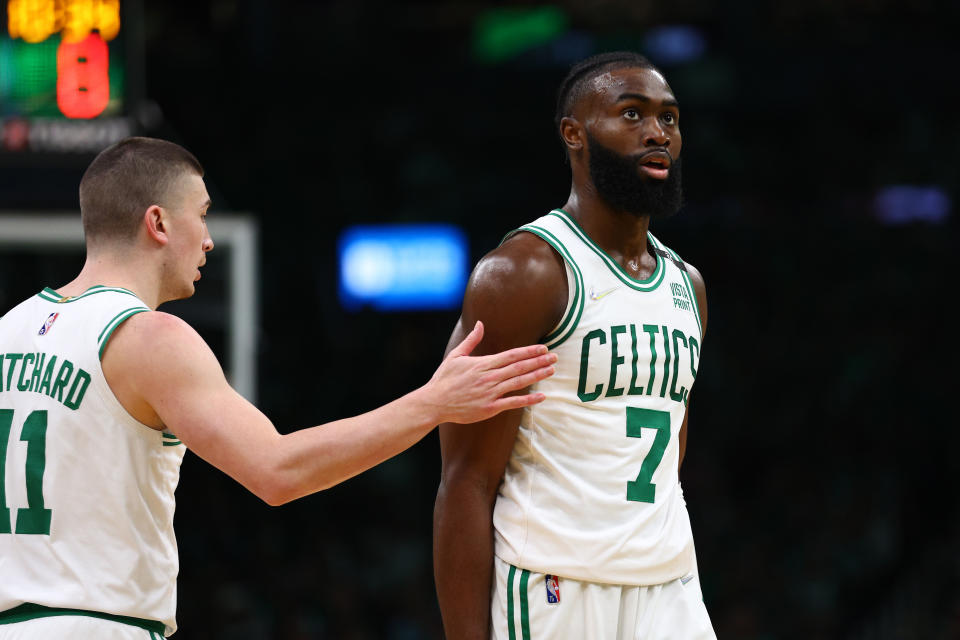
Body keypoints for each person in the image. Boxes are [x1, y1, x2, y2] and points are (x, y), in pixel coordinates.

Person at [0, 136, 558, 639]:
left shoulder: (9, 331)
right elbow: (278, 471)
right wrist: (432, 403)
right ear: (159, 224)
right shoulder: (149, 337)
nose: (210, 240)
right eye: (202, 215)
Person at [433, 51, 716, 639]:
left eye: (669, 117)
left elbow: (669, 454)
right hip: (556, 588)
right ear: (574, 134)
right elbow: (466, 480)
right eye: (631, 114)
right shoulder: (524, 273)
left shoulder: (688, 285)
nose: (657, 132)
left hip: (670, 586)